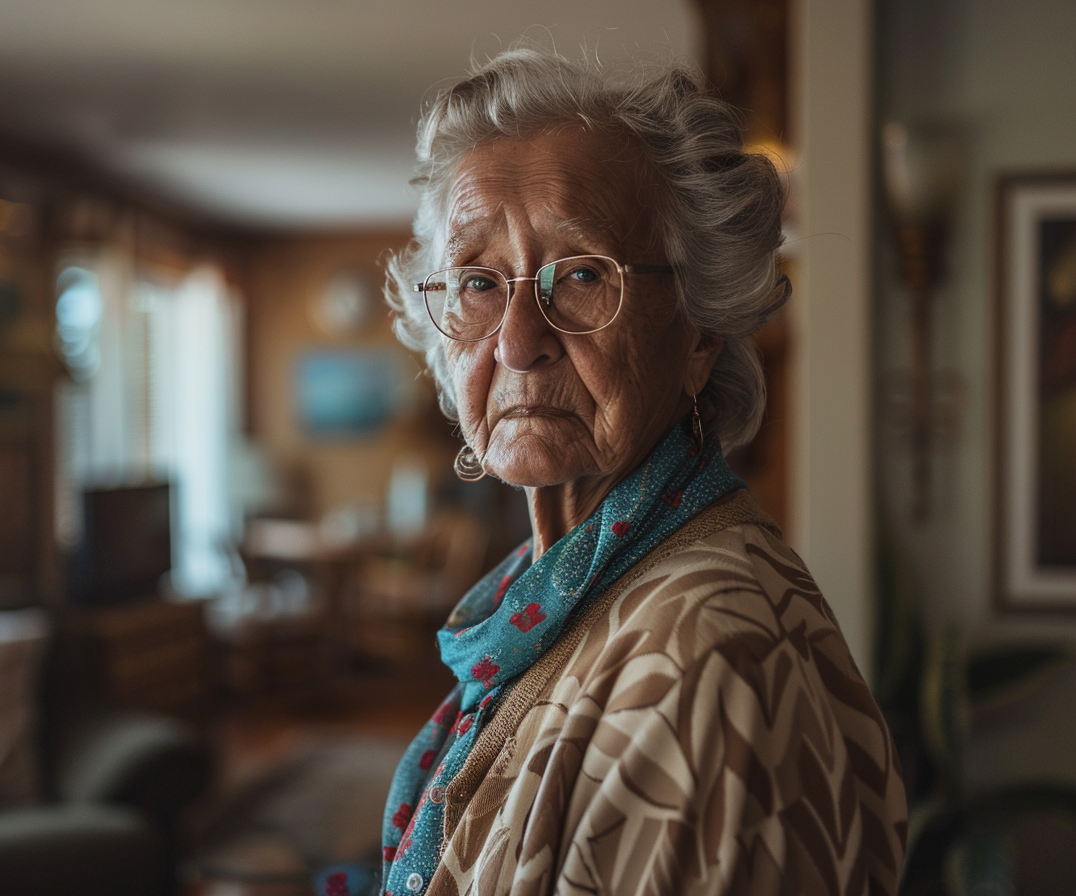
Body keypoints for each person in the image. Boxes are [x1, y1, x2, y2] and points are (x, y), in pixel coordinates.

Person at [375, 49, 907, 896]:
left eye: (582, 274)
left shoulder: (704, 660)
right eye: (478, 282)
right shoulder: (561, 594)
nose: (517, 340)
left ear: (700, 329)